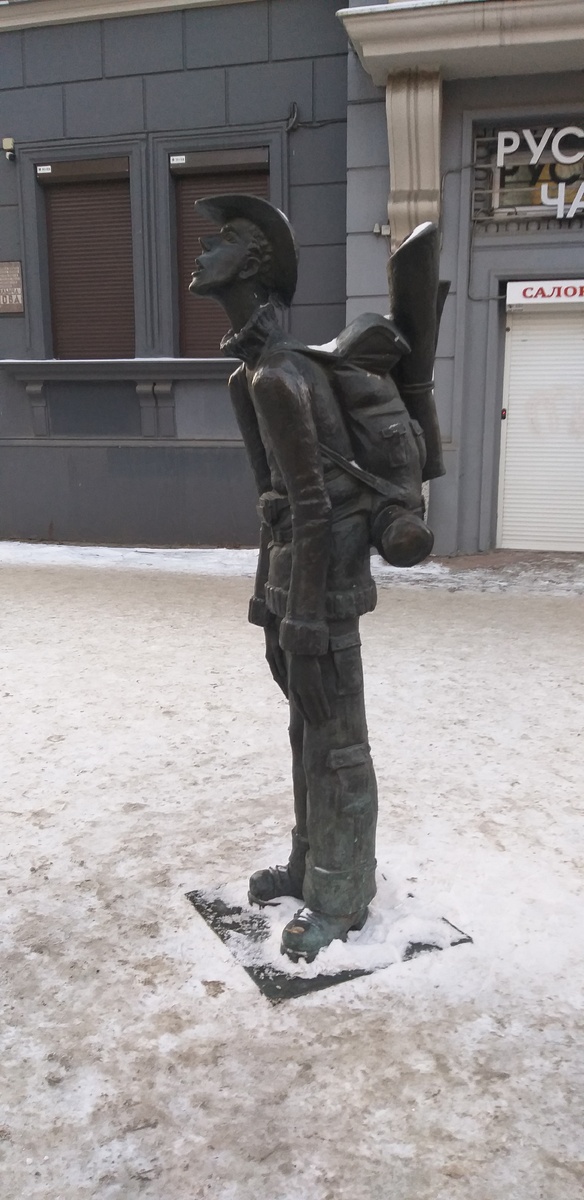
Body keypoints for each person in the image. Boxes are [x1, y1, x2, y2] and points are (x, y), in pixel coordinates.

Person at [189, 195, 414, 963]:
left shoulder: (279, 378)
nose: (202, 251)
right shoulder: (248, 377)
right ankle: (310, 860)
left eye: (220, 241)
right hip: (294, 588)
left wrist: (307, 619)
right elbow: (278, 506)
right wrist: (269, 604)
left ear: (254, 265)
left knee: (339, 744)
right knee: (305, 732)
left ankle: (342, 894)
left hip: (325, 594)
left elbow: (316, 509)